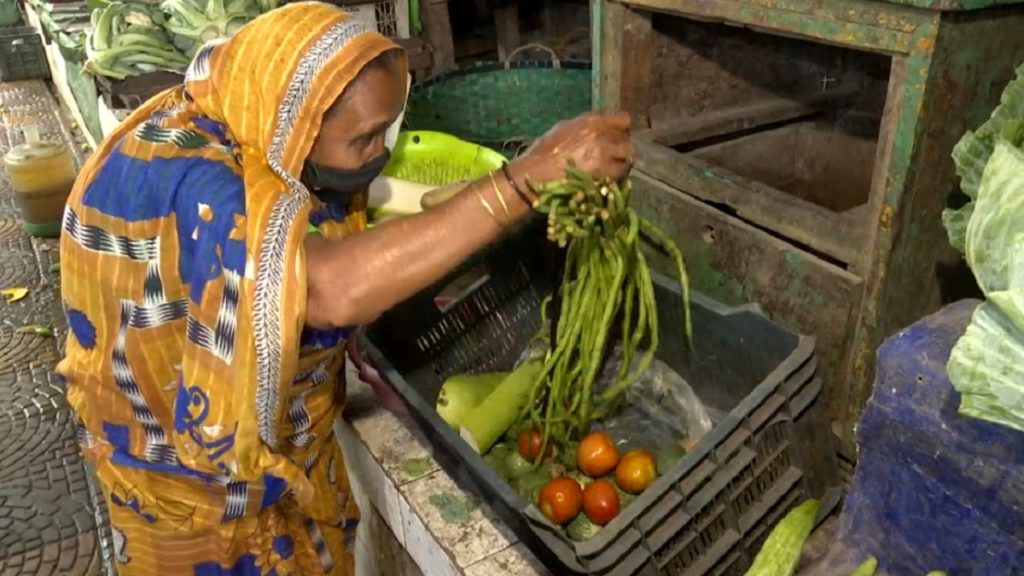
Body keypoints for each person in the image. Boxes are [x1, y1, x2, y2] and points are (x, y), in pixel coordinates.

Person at [56, 2, 633, 574]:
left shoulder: (251, 120)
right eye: (366, 138)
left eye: (387, 130)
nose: (382, 152)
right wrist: (523, 182)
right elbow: (326, 290)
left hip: (284, 454)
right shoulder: (199, 178)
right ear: (297, 121)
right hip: (191, 492)